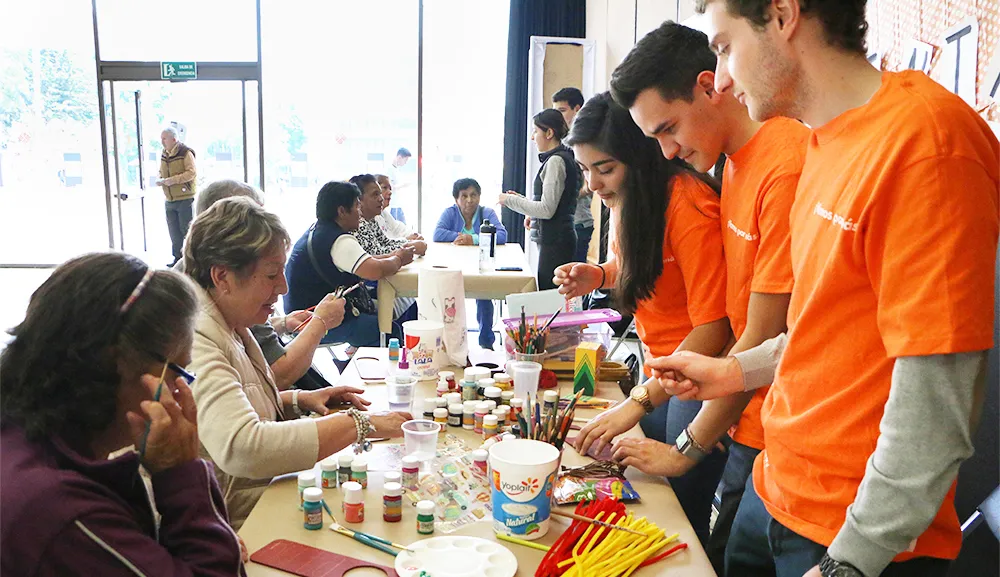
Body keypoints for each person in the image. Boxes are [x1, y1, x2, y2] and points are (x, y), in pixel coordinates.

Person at [649, 2, 999, 577]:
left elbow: (936, 407)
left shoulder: (927, 143)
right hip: (778, 490)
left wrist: (850, 562)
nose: (724, 78)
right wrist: (735, 373)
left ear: (783, 16)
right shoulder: (822, 143)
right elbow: (825, 331)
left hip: (849, 535)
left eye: (723, 47)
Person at [587, 21, 808, 574]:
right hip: (747, 416)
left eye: (666, 129)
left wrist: (681, 444)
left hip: (778, 432)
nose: (666, 151)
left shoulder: (780, 164)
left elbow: (751, 335)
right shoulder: (732, 165)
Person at [556, 93, 732, 545]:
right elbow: (644, 268)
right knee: (650, 491)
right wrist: (599, 273)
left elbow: (716, 327)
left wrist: (638, 401)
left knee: (679, 515)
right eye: (584, 170)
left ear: (641, 156)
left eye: (605, 168)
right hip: (663, 370)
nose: (592, 184)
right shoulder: (629, 202)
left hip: (693, 377)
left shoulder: (688, 205)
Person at [1, 252, 244, 575]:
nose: (178, 392)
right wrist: (182, 474)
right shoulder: (62, 513)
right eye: (177, 372)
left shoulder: (24, 440)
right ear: (116, 363)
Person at [184, 197, 411, 528]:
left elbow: (238, 403)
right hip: (239, 523)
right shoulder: (198, 339)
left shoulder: (230, 322)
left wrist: (297, 399)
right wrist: (359, 423)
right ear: (222, 277)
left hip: (263, 496)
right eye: (272, 274)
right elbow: (244, 446)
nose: (284, 287)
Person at [187, 179, 343, 390]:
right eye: (271, 275)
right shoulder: (205, 336)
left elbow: (252, 395)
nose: (283, 287)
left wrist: (282, 323)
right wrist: (321, 322)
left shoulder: (228, 310)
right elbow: (275, 379)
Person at [285, 181, 416, 348]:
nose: (359, 213)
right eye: (356, 207)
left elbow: (369, 260)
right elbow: (374, 270)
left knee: (396, 309)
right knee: (388, 331)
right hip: (312, 321)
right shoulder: (338, 240)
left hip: (303, 315)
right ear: (341, 211)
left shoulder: (320, 231)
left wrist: (395, 255)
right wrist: (399, 259)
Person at [498, 109, 580, 290]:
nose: (532, 137)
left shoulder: (556, 161)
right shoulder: (562, 158)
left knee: (550, 297)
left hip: (555, 241)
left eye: (535, 131)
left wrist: (509, 201)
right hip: (557, 239)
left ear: (549, 133)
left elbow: (546, 209)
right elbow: (554, 204)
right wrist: (528, 209)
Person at [433, 177, 509, 349]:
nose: (469, 200)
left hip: (481, 265)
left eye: (473, 195)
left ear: (479, 197)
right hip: (455, 266)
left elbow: (503, 235)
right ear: (456, 199)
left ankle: (486, 341)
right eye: (464, 196)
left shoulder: (486, 213)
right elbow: (437, 234)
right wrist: (459, 237)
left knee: (484, 295)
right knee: (450, 299)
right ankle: (452, 342)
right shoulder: (450, 213)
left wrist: (472, 239)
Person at [553, 87, 595, 264]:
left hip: (579, 222)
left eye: (562, 111)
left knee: (574, 282)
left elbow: (589, 186)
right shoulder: (563, 142)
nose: (558, 117)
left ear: (577, 109)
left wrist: (557, 200)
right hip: (563, 223)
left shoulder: (587, 141)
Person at [156, 125, 197, 267]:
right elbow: (162, 171)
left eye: (164, 139)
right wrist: (161, 178)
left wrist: (171, 180)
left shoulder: (185, 153)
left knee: (186, 230)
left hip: (184, 198)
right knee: (173, 232)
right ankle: (177, 259)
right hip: (169, 199)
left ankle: (189, 260)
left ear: (173, 139)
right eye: (161, 139)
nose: (162, 142)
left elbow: (191, 173)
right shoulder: (164, 154)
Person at [375, 174, 421, 240]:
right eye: (385, 188)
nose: (390, 192)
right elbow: (384, 244)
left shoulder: (384, 213)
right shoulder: (370, 218)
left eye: (390, 189)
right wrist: (406, 240)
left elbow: (398, 229)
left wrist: (415, 235)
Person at [385, 147, 412, 223]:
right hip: (392, 205)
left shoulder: (397, 169)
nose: (405, 163)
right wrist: (403, 185)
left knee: (403, 227)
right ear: (400, 157)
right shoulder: (389, 170)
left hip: (398, 204)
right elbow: (389, 187)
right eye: (405, 160)